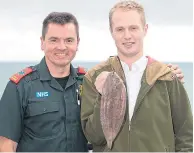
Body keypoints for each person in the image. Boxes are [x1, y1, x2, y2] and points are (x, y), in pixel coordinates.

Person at [80, 0, 193, 152]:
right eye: (120, 29)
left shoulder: (167, 77)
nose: (127, 36)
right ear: (111, 31)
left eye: (133, 28)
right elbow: (93, 137)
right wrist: (105, 96)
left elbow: (185, 136)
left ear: (145, 29)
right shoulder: (94, 77)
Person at [0, 12, 88, 152]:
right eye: (54, 40)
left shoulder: (88, 83)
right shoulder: (20, 87)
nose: (61, 47)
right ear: (42, 42)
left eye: (69, 40)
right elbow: (6, 145)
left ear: (78, 43)